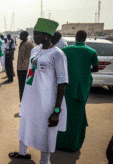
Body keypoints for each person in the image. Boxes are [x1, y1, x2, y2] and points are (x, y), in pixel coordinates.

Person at [9, 18, 68, 164]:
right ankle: (23, 152)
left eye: (36, 34)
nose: (33, 37)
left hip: (47, 100)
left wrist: (56, 110)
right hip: (30, 97)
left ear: (47, 35)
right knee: (25, 124)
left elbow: (62, 82)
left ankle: (44, 160)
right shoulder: (35, 50)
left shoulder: (58, 54)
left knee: (46, 130)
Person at [56, 30, 98, 152]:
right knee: (78, 115)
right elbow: (95, 68)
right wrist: (83, 70)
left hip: (67, 87)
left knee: (64, 113)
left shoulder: (66, 50)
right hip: (83, 88)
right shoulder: (92, 52)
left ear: (76, 37)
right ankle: (73, 144)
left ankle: (60, 143)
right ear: (85, 38)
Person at [17, 31, 34, 103]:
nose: (20, 36)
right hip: (20, 68)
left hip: (25, 69)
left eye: (21, 35)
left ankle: (25, 102)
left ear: (25, 36)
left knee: (25, 87)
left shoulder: (29, 45)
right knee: (21, 86)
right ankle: (23, 102)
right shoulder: (22, 43)